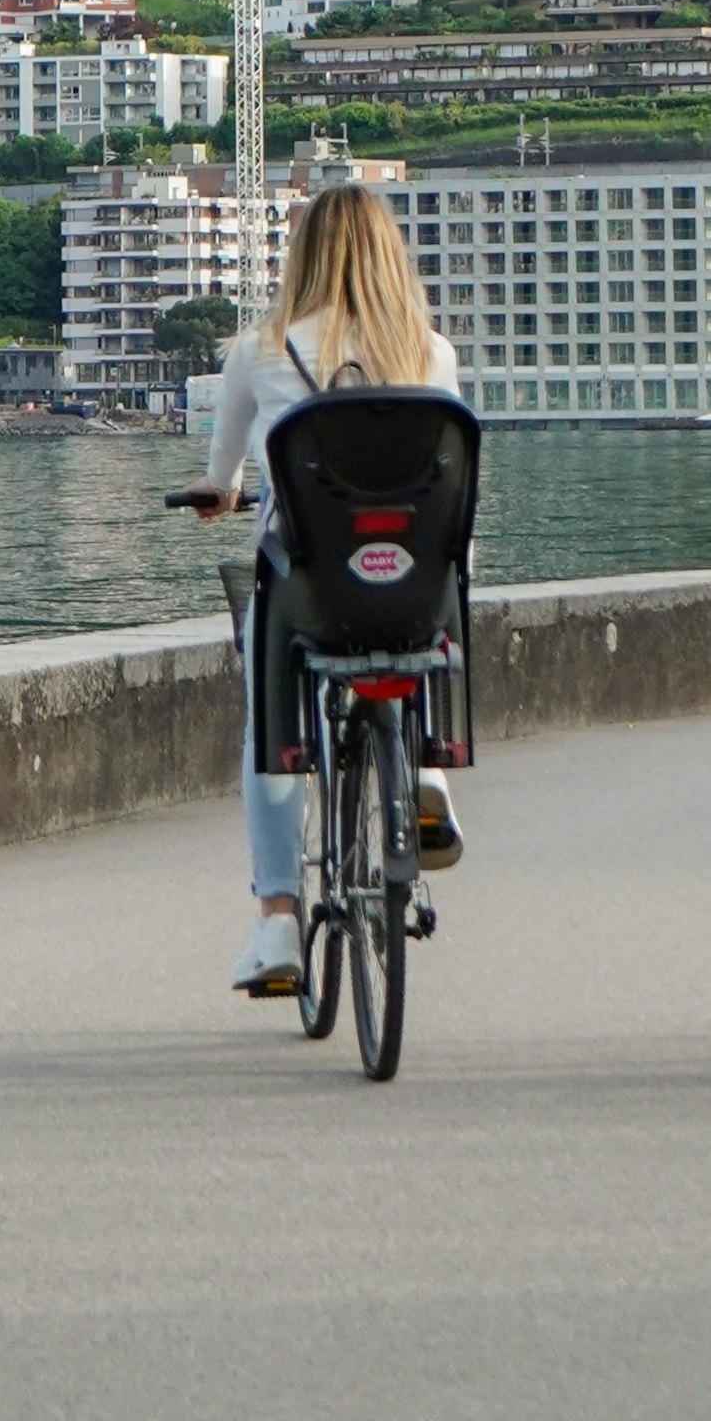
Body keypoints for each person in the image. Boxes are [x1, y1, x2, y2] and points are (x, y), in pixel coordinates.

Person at [177, 178, 472, 1001]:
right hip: (413, 589)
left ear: (300, 257)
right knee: (438, 560)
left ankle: (277, 916)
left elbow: (225, 476)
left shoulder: (258, 351)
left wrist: (219, 493)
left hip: (309, 586)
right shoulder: (431, 353)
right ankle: (427, 774)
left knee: (268, 722)